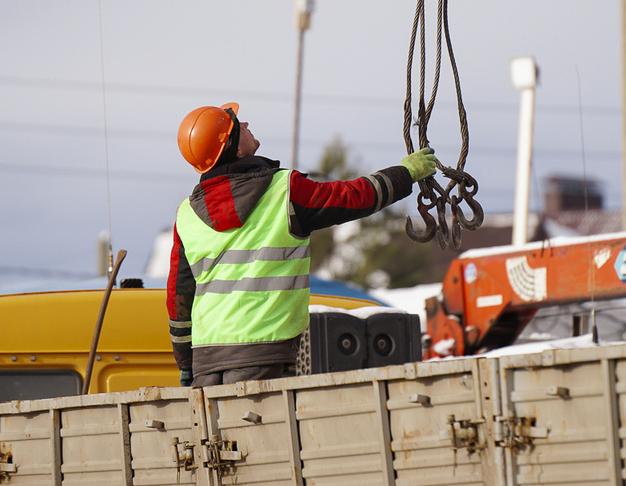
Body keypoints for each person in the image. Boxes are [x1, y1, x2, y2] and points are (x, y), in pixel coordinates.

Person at [166, 102, 438, 388]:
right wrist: (405, 174)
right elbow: (352, 197)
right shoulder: (284, 191)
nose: (245, 124)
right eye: (237, 124)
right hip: (265, 352)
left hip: (207, 359)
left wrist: (186, 363)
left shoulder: (186, 215)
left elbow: (178, 299)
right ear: (234, 147)